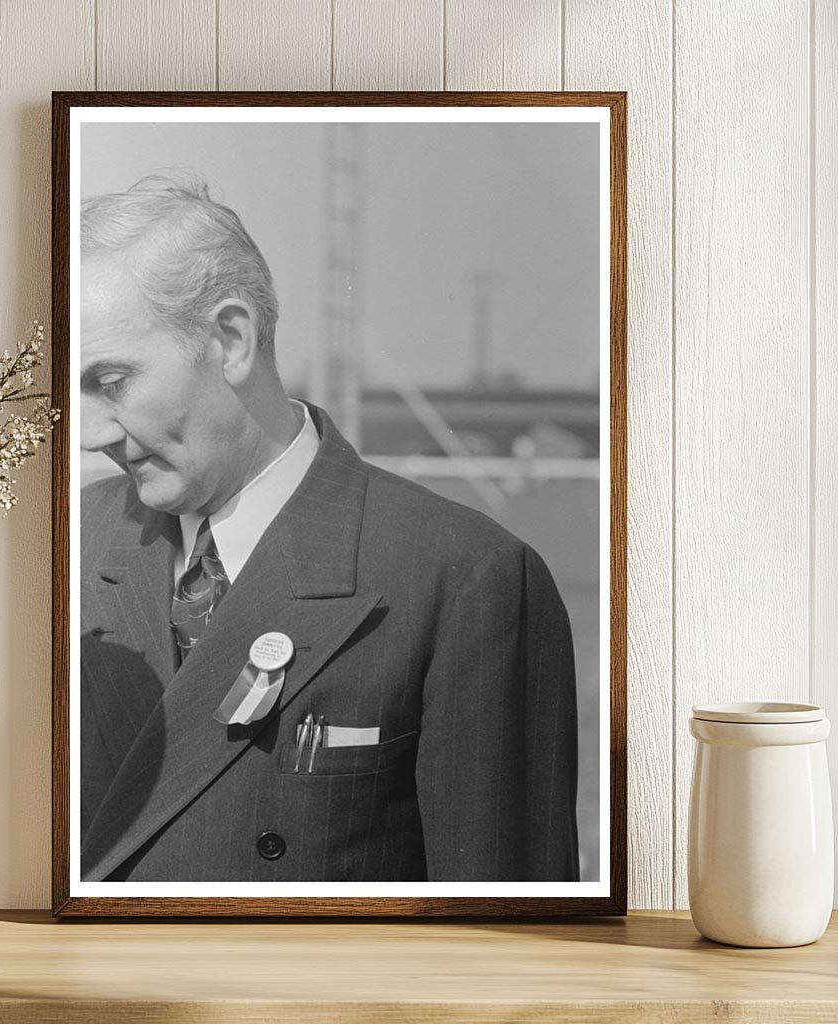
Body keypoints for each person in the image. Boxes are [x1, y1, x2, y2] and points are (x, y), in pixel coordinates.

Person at [79, 173, 579, 883]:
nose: (90, 431)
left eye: (112, 381)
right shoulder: (64, 550)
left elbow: (507, 949)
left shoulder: (466, 580)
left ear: (229, 339)